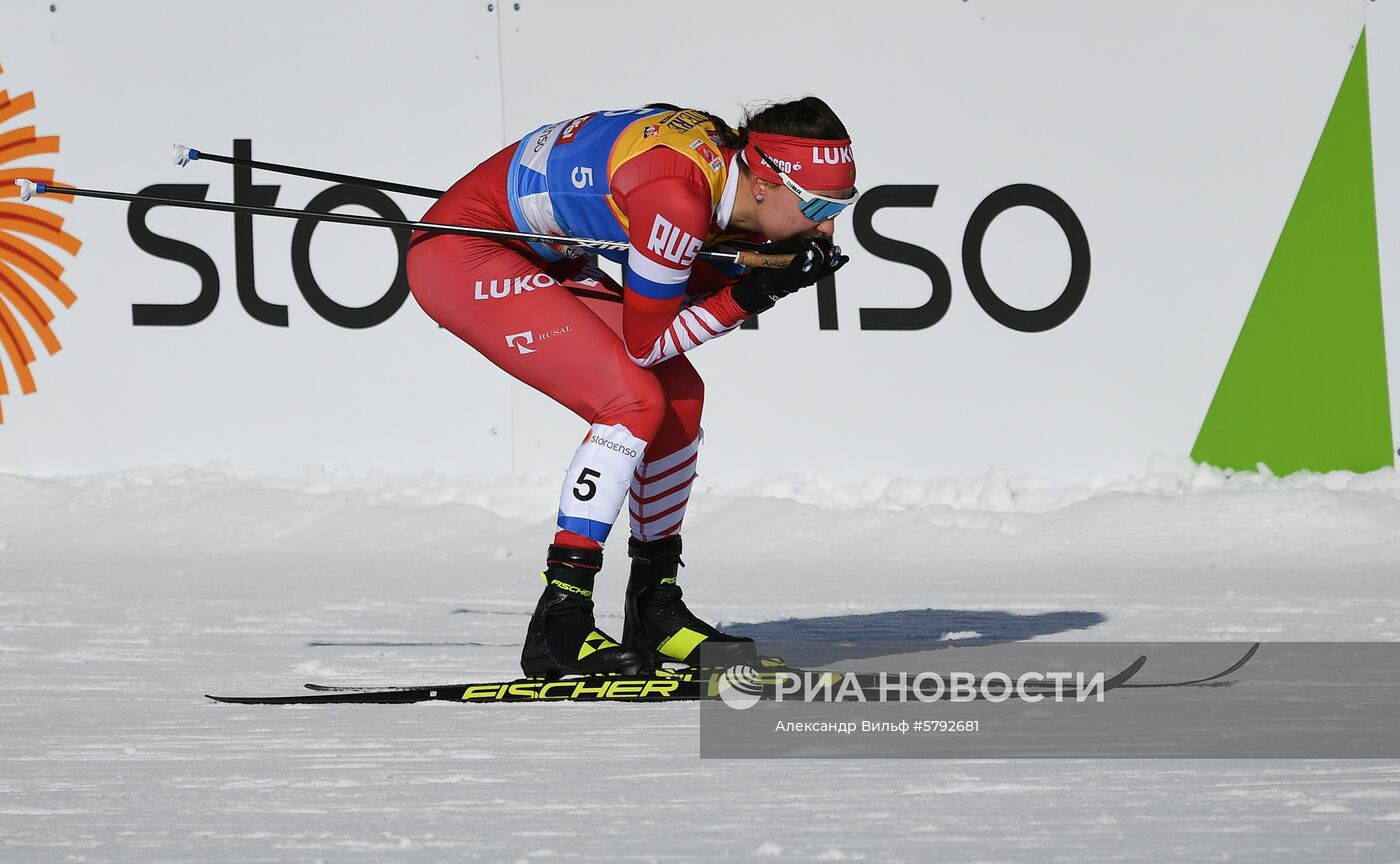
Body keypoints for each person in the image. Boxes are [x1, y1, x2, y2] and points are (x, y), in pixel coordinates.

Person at [406, 98, 858, 679]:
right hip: (466, 251)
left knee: (680, 401)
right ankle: (559, 620)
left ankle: (655, 611)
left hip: (551, 251)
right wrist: (756, 292)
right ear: (765, 180)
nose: (826, 226)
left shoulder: (722, 181)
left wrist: (749, 272)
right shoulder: (678, 196)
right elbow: (650, 343)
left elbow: (687, 296)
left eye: (840, 208)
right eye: (819, 206)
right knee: (634, 400)